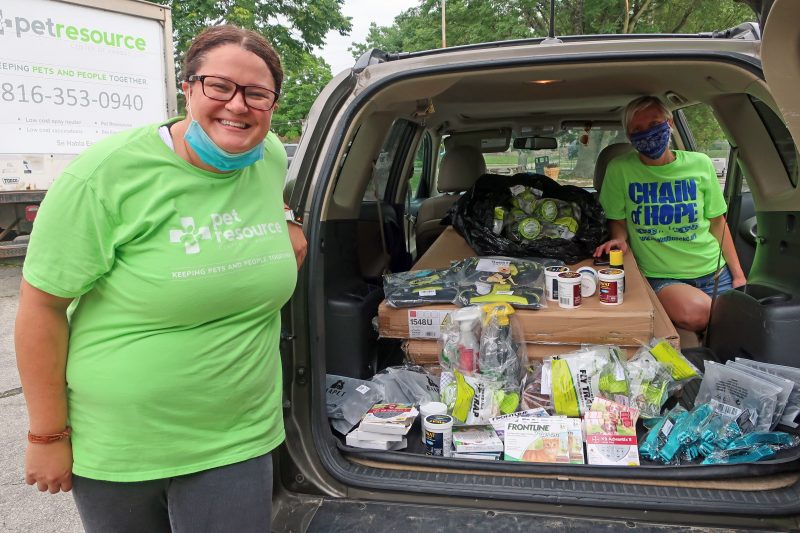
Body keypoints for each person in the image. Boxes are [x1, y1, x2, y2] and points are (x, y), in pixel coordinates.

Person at [15, 25, 307, 532]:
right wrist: (46, 436)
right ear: (188, 88)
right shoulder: (106, 176)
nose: (237, 105)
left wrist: (285, 219)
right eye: (219, 86)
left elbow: (261, 201)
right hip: (122, 446)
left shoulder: (269, 158)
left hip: (238, 436)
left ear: (272, 104)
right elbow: (40, 307)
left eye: (257, 94)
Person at [594, 95, 746, 332]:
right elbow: (618, 222)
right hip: (662, 277)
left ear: (670, 123)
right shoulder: (620, 170)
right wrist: (619, 241)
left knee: (741, 329)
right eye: (638, 129)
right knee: (699, 314)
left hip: (716, 274)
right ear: (630, 137)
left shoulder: (701, 164)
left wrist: (738, 276)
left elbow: (717, 223)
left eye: (654, 124)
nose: (648, 133)